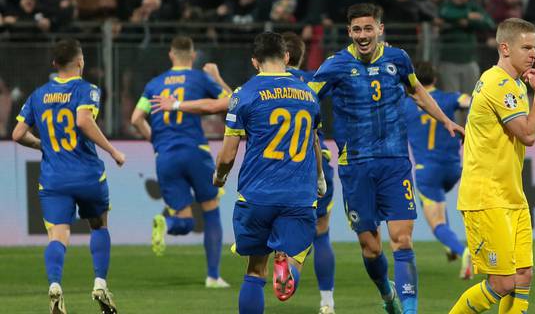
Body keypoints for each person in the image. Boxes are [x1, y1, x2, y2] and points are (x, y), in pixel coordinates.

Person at [308, 3, 464, 314]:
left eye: (368, 28)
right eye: (356, 30)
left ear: (380, 29)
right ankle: (386, 291)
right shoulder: (335, 65)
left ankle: (409, 310)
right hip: (356, 167)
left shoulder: (398, 59)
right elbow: (306, 99)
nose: (363, 35)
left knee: (402, 240)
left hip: (394, 162)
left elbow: (417, 91)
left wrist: (445, 120)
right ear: (349, 32)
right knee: (371, 246)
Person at [213, 31, 325, 314]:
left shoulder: (244, 95)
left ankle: (279, 268)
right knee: (299, 250)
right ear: (287, 57)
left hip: (257, 195)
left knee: (255, 269)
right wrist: (320, 178)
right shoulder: (309, 95)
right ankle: (288, 267)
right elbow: (313, 142)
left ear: (255, 61)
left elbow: (228, 154)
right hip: (299, 194)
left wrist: (220, 177)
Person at [12, 38, 125, 314]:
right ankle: (100, 283)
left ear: (54, 64)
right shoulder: (88, 89)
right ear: (80, 61)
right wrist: (113, 151)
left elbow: (17, 134)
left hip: (53, 179)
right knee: (99, 226)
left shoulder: (37, 95)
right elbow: (84, 120)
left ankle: (55, 285)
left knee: (57, 236)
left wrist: (43, 144)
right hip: (87, 175)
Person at [448, 18, 535, 314]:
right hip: (487, 197)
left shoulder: (513, 83)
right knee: (502, 283)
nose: (533, 54)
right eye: (526, 47)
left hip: (511, 194)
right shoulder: (498, 83)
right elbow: (527, 134)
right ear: (505, 48)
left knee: (523, 276)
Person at [130, 36, 231, 289]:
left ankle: (168, 223)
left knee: (184, 222)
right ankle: (213, 276)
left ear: (171, 55)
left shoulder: (154, 84)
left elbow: (136, 118)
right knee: (211, 209)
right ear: (193, 55)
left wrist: (157, 142)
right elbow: (232, 102)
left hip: (165, 156)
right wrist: (217, 78)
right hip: (195, 151)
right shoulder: (199, 78)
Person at [403, 61, 473, 280]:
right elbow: (469, 101)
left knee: (437, 223)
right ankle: (450, 248)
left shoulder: (405, 104)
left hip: (428, 170)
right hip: (453, 168)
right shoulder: (449, 97)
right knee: (440, 205)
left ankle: (464, 252)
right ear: (434, 79)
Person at [282, 31, 336, 314]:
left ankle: (285, 269)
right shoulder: (313, 80)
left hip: (278, 168)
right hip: (317, 163)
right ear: (299, 56)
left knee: (284, 232)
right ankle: (327, 302)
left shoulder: (265, 85)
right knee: (321, 234)